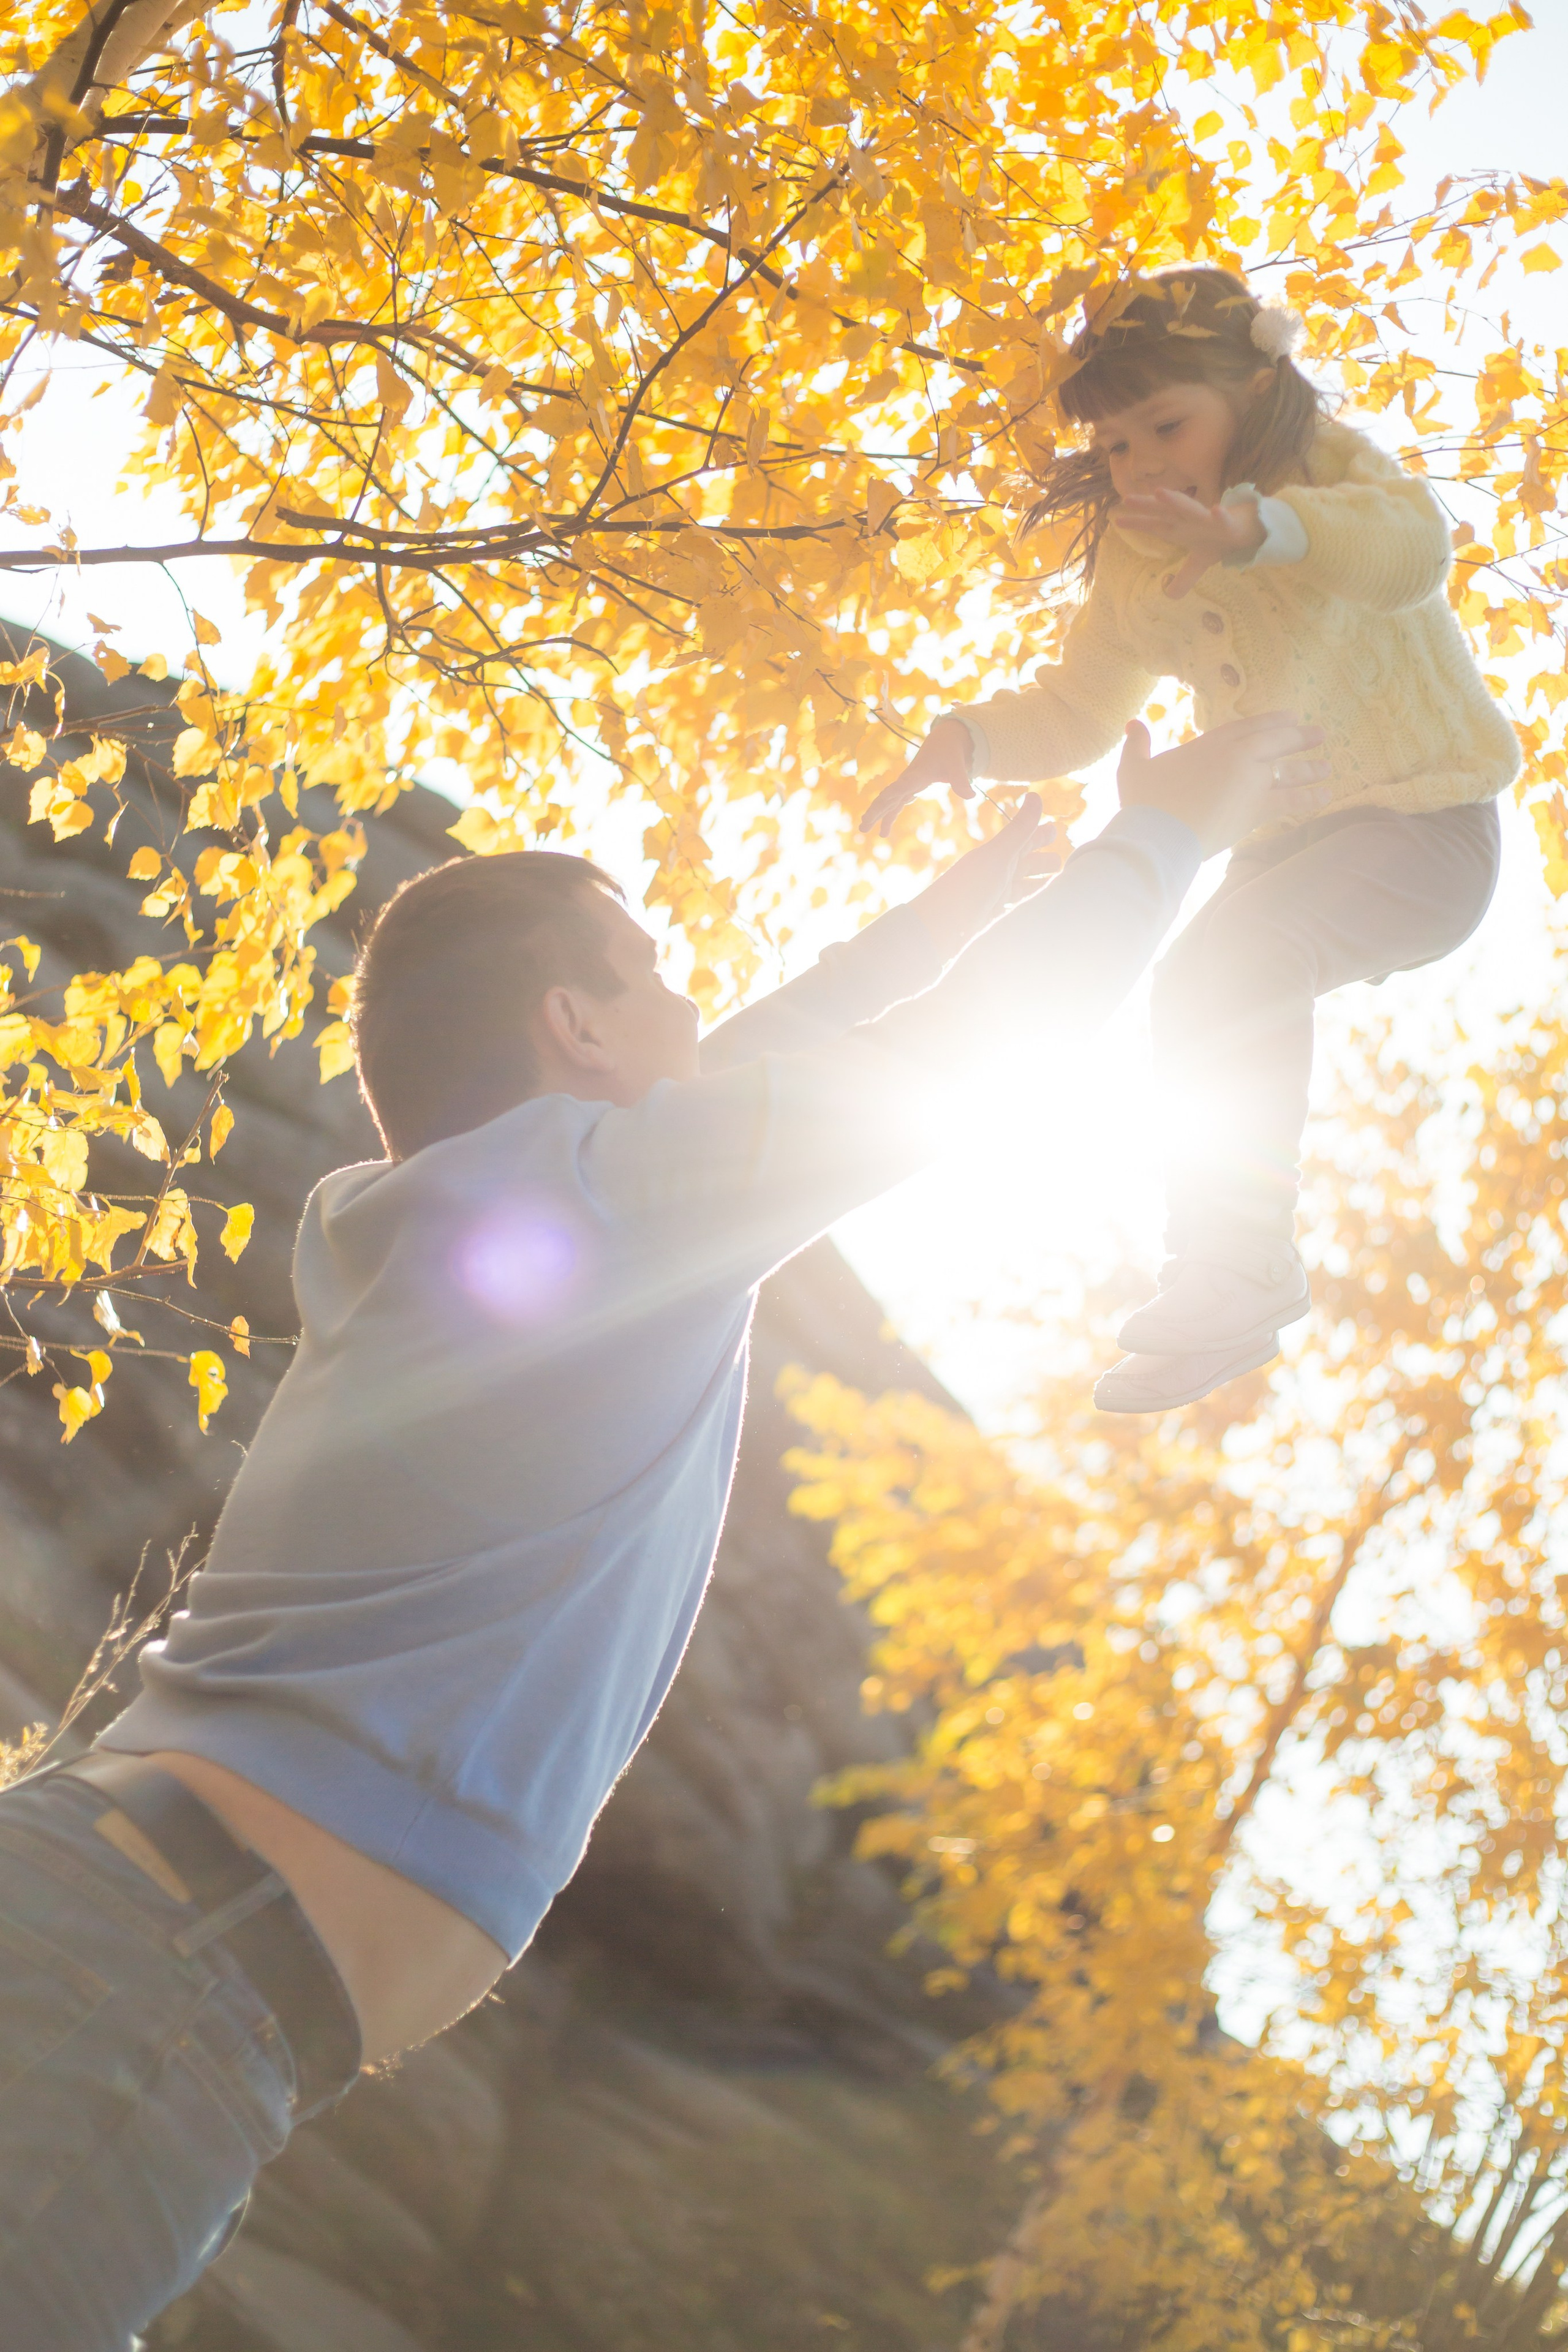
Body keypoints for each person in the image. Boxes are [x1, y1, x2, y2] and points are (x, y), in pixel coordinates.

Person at [0, 709, 1327, 2351]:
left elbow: (758, 1055)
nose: (696, 997)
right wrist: (1172, 833)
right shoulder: (602, 1205)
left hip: (151, 1969)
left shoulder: (512, 1214)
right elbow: (957, 1052)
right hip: (153, 1987)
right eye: (655, 968)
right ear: (576, 1024)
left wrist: (942, 912)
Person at [863, 265, 1518, 1414]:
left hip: (1429, 827)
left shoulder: (1325, 468)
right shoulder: (1136, 550)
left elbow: (1414, 551)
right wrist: (963, 743)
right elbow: (1081, 703)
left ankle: (1244, 1267)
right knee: (1194, 992)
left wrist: (1259, 529)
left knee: (1231, 964)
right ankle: (1224, 1275)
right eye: (1116, 447)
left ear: (1260, 389)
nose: (1142, 464)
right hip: (1285, 852)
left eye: (1166, 425)